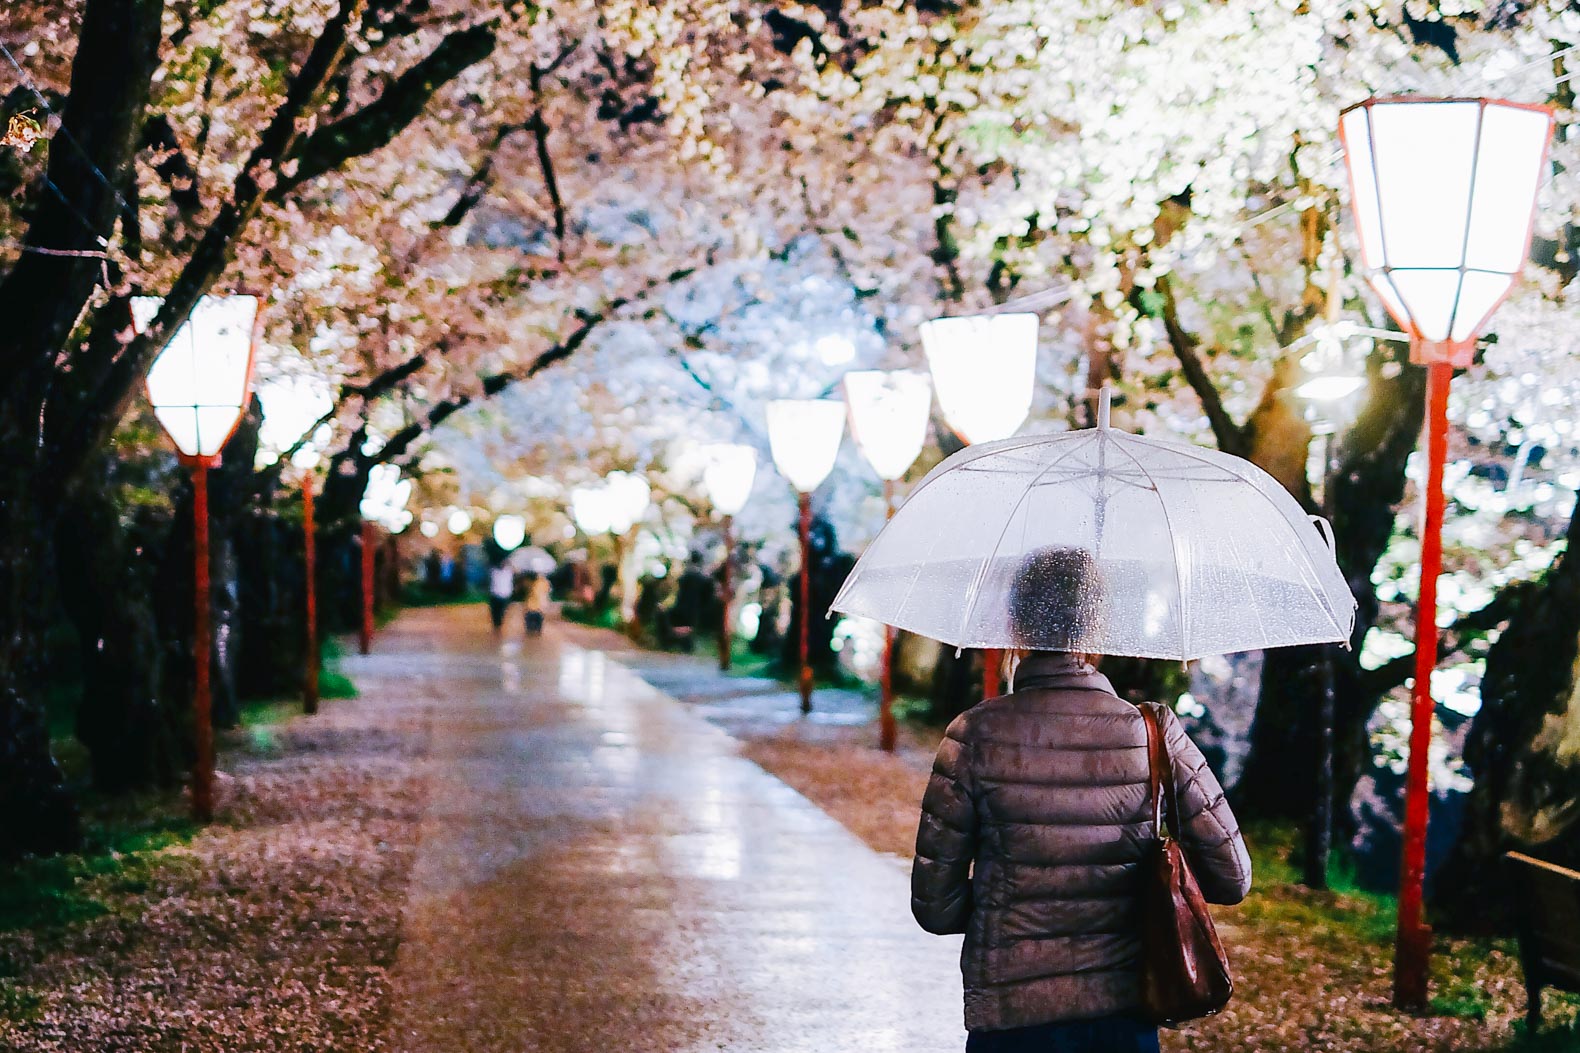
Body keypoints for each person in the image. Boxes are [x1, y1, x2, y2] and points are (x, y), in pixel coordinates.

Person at [911, 546, 1252, 1053]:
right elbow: (1232, 878)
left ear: (1014, 624)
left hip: (1011, 1019)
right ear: (1098, 626)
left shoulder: (973, 734)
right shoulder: (1152, 732)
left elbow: (935, 908)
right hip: (1124, 1015)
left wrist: (1007, 911)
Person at [487, 557, 515, 638]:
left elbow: (516, 570)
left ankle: (498, 628)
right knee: (495, 613)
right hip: (495, 595)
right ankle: (496, 627)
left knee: (501, 612)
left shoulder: (508, 572)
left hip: (504, 595)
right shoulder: (494, 571)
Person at [523, 570, 551, 637]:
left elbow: (546, 592)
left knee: (534, 618)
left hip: (536, 604)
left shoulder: (534, 582)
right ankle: (534, 630)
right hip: (535, 604)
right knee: (535, 618)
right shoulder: (542, 582)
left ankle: (533, 630)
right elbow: (547, 592)